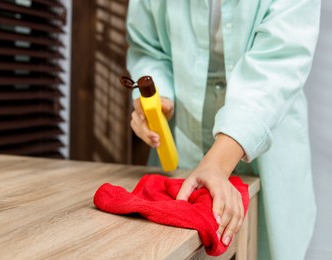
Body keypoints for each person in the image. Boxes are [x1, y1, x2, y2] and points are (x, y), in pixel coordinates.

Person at [125, 0, 321, 259]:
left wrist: (217, 164)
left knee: (265, 245)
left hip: (269, 127)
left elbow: (279, 64)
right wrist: (156, 97)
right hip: (182, 133)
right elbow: (148, 49)